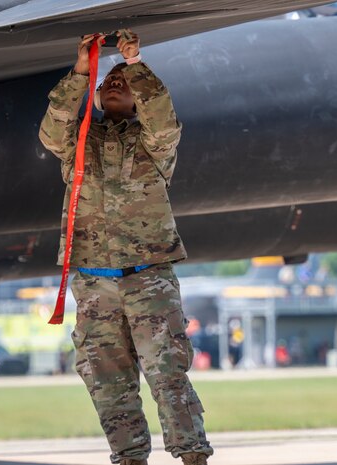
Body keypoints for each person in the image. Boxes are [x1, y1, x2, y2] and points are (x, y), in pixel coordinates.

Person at [39, 30, 213, 465]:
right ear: (96, 96)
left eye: (125, 81)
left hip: (148, 280)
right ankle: (129, 457)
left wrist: (135, 63)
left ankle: (192, 456)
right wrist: (81, 72)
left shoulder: (154, 146)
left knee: (167, 375)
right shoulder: (79, 145)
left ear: (138, 97)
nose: (116, 82)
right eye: (109, 80)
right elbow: (51, 129)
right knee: (106, 381)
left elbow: (163, 119)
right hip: (95, 286)